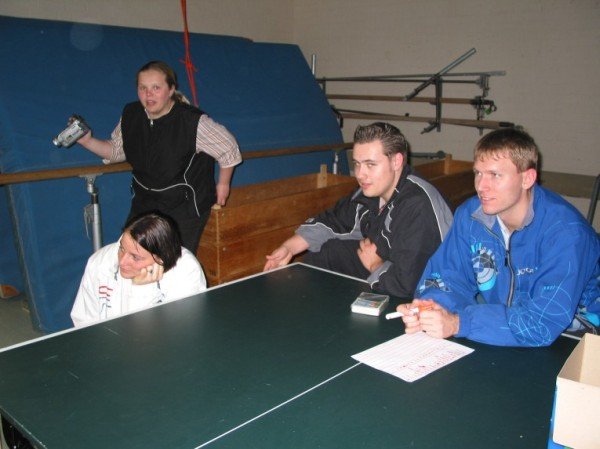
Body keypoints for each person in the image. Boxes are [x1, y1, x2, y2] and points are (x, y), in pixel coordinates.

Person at [398, 128, 600, 347]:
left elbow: (542, 322)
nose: (481, 186)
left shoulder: (567, 233)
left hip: (576, 339)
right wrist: (432, 308)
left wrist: (458, 323)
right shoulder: (471, 217)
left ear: (527, 178)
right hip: (503, 328)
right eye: (478, 173)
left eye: (495, 175)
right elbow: (448, 276)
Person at [263, 122, 453, 298]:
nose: (360, 174)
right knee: (330, 252)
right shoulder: (372, 191)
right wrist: (289, 248)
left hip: (432, 293)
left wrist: (375, 265)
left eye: (370, 164)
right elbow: (334, 221)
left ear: (396, 162)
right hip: (386, 267)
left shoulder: (417, 205)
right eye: (357, 164)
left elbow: (411, 284)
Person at [76, 60, 242, 253]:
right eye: (143, 88)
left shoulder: (192, 121)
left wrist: (223, 184)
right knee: (131, 253)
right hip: (144, 202)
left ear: (171, 90)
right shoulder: (131, 114)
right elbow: (116, 151)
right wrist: (87, 141)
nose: (148, 94)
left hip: (183, 206)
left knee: (172, 263)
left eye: (156, 88)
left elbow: (228, 148)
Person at [71, 212, 207, 327]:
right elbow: (83, 323)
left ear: (160, 260)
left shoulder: (186, 272)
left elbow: (178, 334)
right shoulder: (100, 263)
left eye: (135, 257)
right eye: (121, 248)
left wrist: (141, 290)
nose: (122, 261)